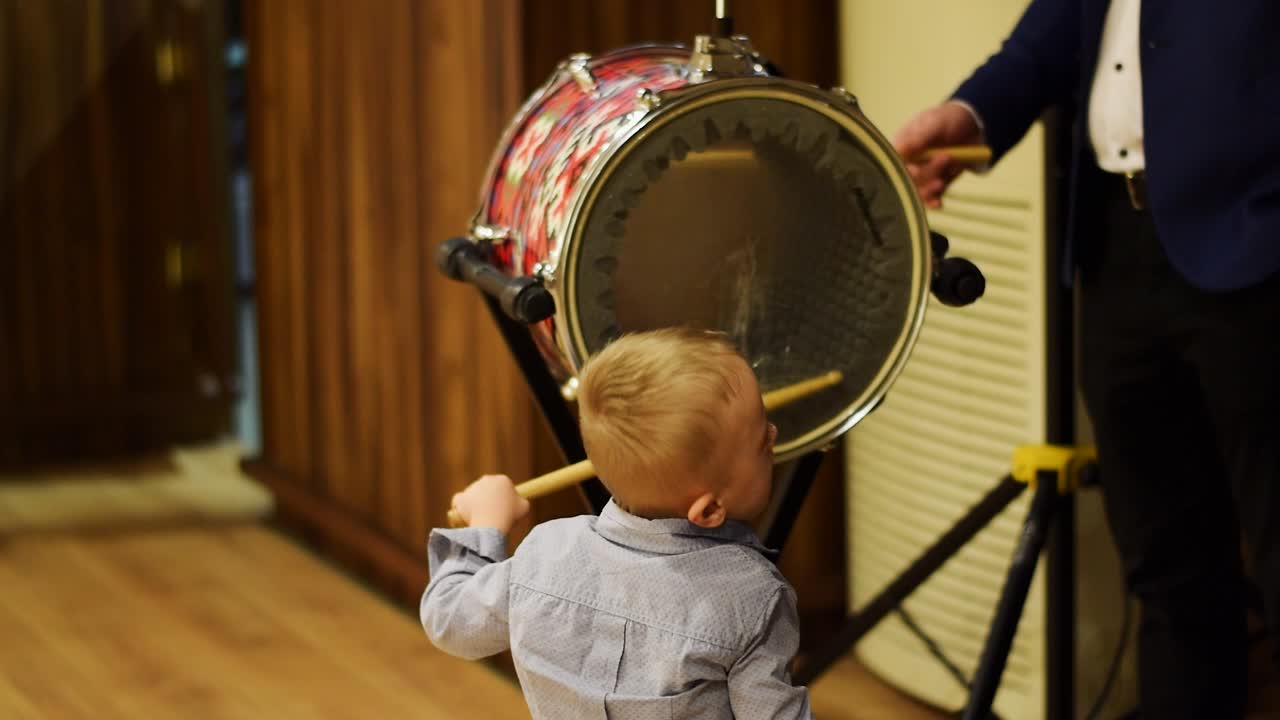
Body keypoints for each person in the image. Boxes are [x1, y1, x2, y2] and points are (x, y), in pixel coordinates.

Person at [893, 2, 1280, 718]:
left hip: (1258, 253)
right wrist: (972, 113)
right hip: (1115, 251)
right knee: (1170, 571)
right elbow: (1058, 25)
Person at [420, 328, 812, 719]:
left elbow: (449, 618)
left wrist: (487, 524)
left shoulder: (546, 557)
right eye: (763, 441)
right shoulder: (752, 599)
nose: (774, 434)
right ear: (708, 510)